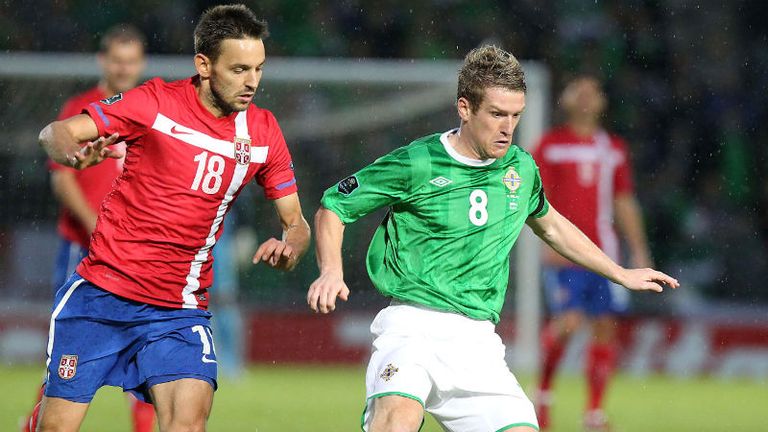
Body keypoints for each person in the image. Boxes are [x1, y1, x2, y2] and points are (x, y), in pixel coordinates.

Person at [307, 46, 677, 432]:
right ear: (465, 109)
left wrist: (619, 272)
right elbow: (334, 206)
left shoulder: (520, 168)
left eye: (516, 115)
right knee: (397, 420)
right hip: (411, 328)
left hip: (477, 341)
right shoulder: (418, 162)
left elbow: (551, 225)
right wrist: (331, 270)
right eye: (497, 114)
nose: (508, 127)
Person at [36, 5, 310, 432]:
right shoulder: (154, 103)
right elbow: (55, 132)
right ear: (203, 64)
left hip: (178, 312)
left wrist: (291, 246)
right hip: (101, 296)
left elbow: (296, 222)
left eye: (258, 68)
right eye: (238, 69)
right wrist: (73, 153)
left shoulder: (263, 132)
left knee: (187, 423)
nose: (252, 81)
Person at [21, 23, 155, 432]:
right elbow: (61, 178)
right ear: (103, 60)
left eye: (131, 61)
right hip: (84, 250)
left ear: (141, 63)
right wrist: (99, 225)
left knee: (146, 351)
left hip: (137, 255)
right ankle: (37, 424)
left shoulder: (150, 109)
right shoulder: (80, 109)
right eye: (117, 60)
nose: (124, 68)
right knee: (69, 351)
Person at [531, 76, 654, 431]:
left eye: (593, 91)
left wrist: (640, 249)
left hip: (605, 255)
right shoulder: (550, 145)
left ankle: (594, 413)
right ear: (565, 99)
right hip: (565, 253)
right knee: (568, 323)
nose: (586, 97)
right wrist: (546, 244)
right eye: (578, 90)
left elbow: (623, 201)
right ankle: (542, 396)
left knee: (604, 327)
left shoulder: (612, 148)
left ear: (603, 102)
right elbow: (536, 200)